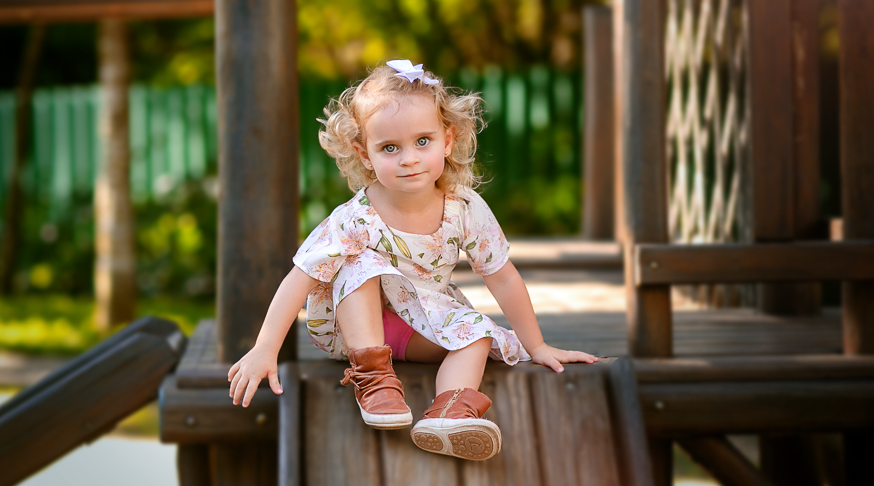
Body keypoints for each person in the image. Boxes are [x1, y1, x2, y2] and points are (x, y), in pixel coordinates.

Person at [227, 59, 597, 460]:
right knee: (360, 262)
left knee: (477, 332)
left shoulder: (463, 207)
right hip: (351, 326)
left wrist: (536, 345)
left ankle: (450, 412)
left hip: (421, 322)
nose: (409, 158)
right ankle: (375, 380)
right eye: (390, 148)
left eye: (423, 141)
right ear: (364, 154)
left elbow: (502, 277)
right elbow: (299, 278)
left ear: (447, 141)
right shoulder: (355, 218)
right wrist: (265, 348)